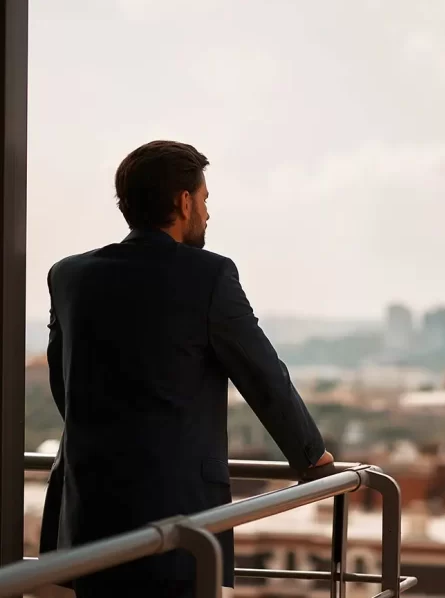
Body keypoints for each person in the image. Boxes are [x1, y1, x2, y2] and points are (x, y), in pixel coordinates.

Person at [39, 140, 333, 598]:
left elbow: (64, 385)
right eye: (205, 200)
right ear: (183, 201)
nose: (208, 214)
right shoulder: (209, 276)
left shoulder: (69, 276)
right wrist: (311, 455)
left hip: (87, 510)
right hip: (178, 514)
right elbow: (263, 375)